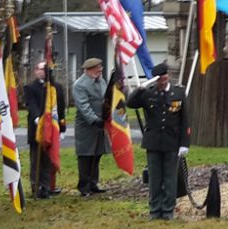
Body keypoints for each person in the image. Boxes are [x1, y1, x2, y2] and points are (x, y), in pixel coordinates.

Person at [126, 62, 190, 220]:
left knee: (170, 178)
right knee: (155, 178)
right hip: (153, 142)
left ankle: (168, 210)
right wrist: (138, 90)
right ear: (155, 80)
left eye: (165, 77)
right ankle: (155, 210)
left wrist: (184, 143)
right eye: (160, 79)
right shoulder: (148, 93)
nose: (163, 81)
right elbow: (130, 103)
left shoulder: (178, 93)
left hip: (172, 142)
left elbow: (185, 121)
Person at [23, 60, 67, 198]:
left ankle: (47, 187)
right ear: (36, 71)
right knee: (36, 159)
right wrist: (38, 118)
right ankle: (36, 187)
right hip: (37, 128)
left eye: (44, 69)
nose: (42, 72)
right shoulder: (30, 87)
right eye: (40, 69)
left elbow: (60, 107)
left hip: (52, 128)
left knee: (48, 159)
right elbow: (31, 104)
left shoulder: (56, 87)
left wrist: (62, 127)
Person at [73, 57, 111, 197]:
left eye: (100, 68)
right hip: (87, 126)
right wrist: (94, 120)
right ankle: (84, 185)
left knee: (97, 154)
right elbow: (83, 106)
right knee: (85, 156)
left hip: (100, 124)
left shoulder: (101, 81)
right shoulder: (80, 85)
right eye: (97, 69)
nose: (100, 71)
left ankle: (93, 183)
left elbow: (106, 98)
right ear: (88, 70)